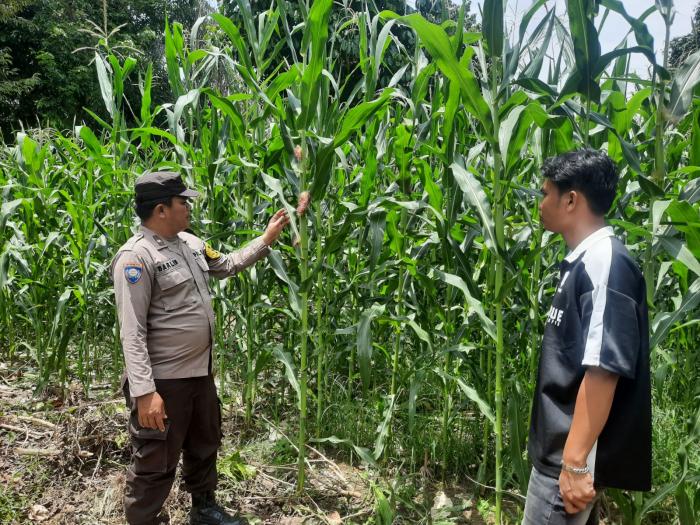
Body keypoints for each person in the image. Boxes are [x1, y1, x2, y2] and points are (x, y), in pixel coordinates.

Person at [111, 171, 290, 525]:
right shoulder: (136, 258)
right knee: (156, 458)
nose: (189, 207)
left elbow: (227, 264)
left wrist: (266, 239)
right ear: (161, 210)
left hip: (200, 373)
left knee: (204, 444)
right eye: (183, 201)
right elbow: (131, 332)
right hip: (164, 382)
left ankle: (204, 510)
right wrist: (145, 392)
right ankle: (143, 519)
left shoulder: (191, 244)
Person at [523, 150, 651, 525]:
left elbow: (604, 368)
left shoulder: (604, 261)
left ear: (571, 200)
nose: (540, 203)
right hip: (561, 455)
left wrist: (575, 463)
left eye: (545, 193)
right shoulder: (583, 261)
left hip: (567, 462)